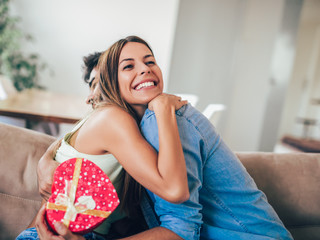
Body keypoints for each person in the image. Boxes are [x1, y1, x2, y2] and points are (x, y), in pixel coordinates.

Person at [37, 36, 294, 240]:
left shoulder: (160, 121)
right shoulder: (120, 122)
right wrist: (44, 160)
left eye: (150, 61)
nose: (145, 70)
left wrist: (162, 109)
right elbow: (65, 144)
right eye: (128, 66)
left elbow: (178, 209)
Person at [17, 42, 189, 240]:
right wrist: (163, 108)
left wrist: (45, 158)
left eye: (101, 82)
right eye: (93, 84)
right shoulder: (112, 118)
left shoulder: (131, 129)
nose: (92, 96)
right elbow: (175, 191)